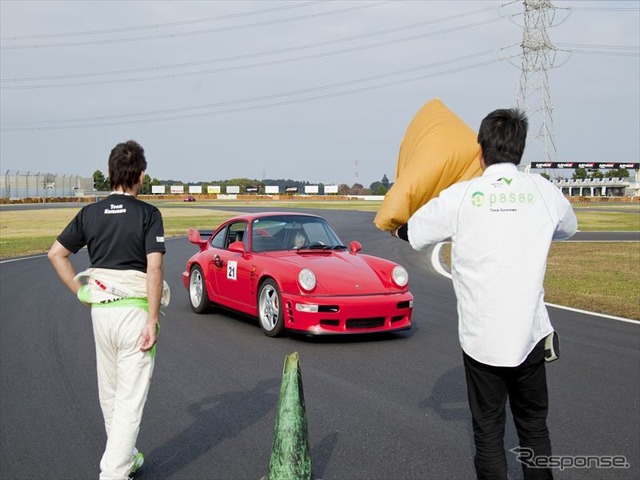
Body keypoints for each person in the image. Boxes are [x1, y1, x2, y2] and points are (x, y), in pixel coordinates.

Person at [392, 108, 577, 480]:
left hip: (482, 339)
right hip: (530, 335)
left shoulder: (460, 196)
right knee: (534, 430)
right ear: (520, 149)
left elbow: (412, 234)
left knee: (489, 432)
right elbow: (568, 228)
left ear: (480, 151)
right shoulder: (543, 191)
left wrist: (394, 223)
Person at [48, 140, 169, 480]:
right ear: (139, 175)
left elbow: (55, 254)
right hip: (134, 311)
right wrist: (153, 319)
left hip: (101, 312)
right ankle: (112, 473)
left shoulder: (90, 212)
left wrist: (80, 292)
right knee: (129, 400)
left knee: (111, 394)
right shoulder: (149, 214)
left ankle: (127, 457)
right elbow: (155, 270)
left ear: (113, 172)